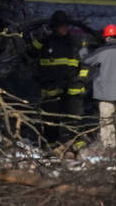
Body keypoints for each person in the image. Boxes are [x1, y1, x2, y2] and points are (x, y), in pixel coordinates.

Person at [30, 9, 88, 144]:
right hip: (51, 87)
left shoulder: (77, 42)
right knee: (50, 118)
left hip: (72, 87)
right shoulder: (45, 42)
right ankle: (51, 144)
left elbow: (86, 63)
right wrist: (40, 39)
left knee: (74, 118)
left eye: (65, 26)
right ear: (54, 27)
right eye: (60, 26)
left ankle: (77, 144)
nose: (64, 28)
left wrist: (81, 79)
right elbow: (30, 53)